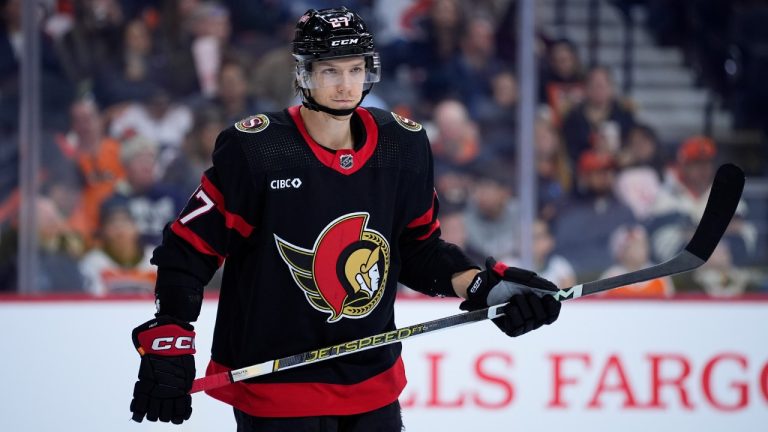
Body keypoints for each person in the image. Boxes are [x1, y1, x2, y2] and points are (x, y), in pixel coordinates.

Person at [128, 7, 561, 430]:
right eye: (330, 71)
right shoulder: (256, 150)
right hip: (277, 382)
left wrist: (482, 285)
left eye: (355, 69)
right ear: (304, 74)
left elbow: (416, 250)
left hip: (371, 380)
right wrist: (172, 333)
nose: (345, 85)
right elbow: (188, 248)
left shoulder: (402, 146)